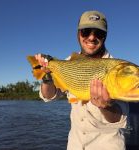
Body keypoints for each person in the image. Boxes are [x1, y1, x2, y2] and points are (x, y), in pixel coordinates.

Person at [35, 10, 128, 150]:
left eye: (98, 33)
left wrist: (106, 106)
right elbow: (49, 96)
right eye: (86, 31)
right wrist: (47, 77)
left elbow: (119, 120)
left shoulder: (117, 70)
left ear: (105, 36)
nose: (91, 37)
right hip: (75, 145)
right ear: (78, 34)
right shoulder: (67, 63)